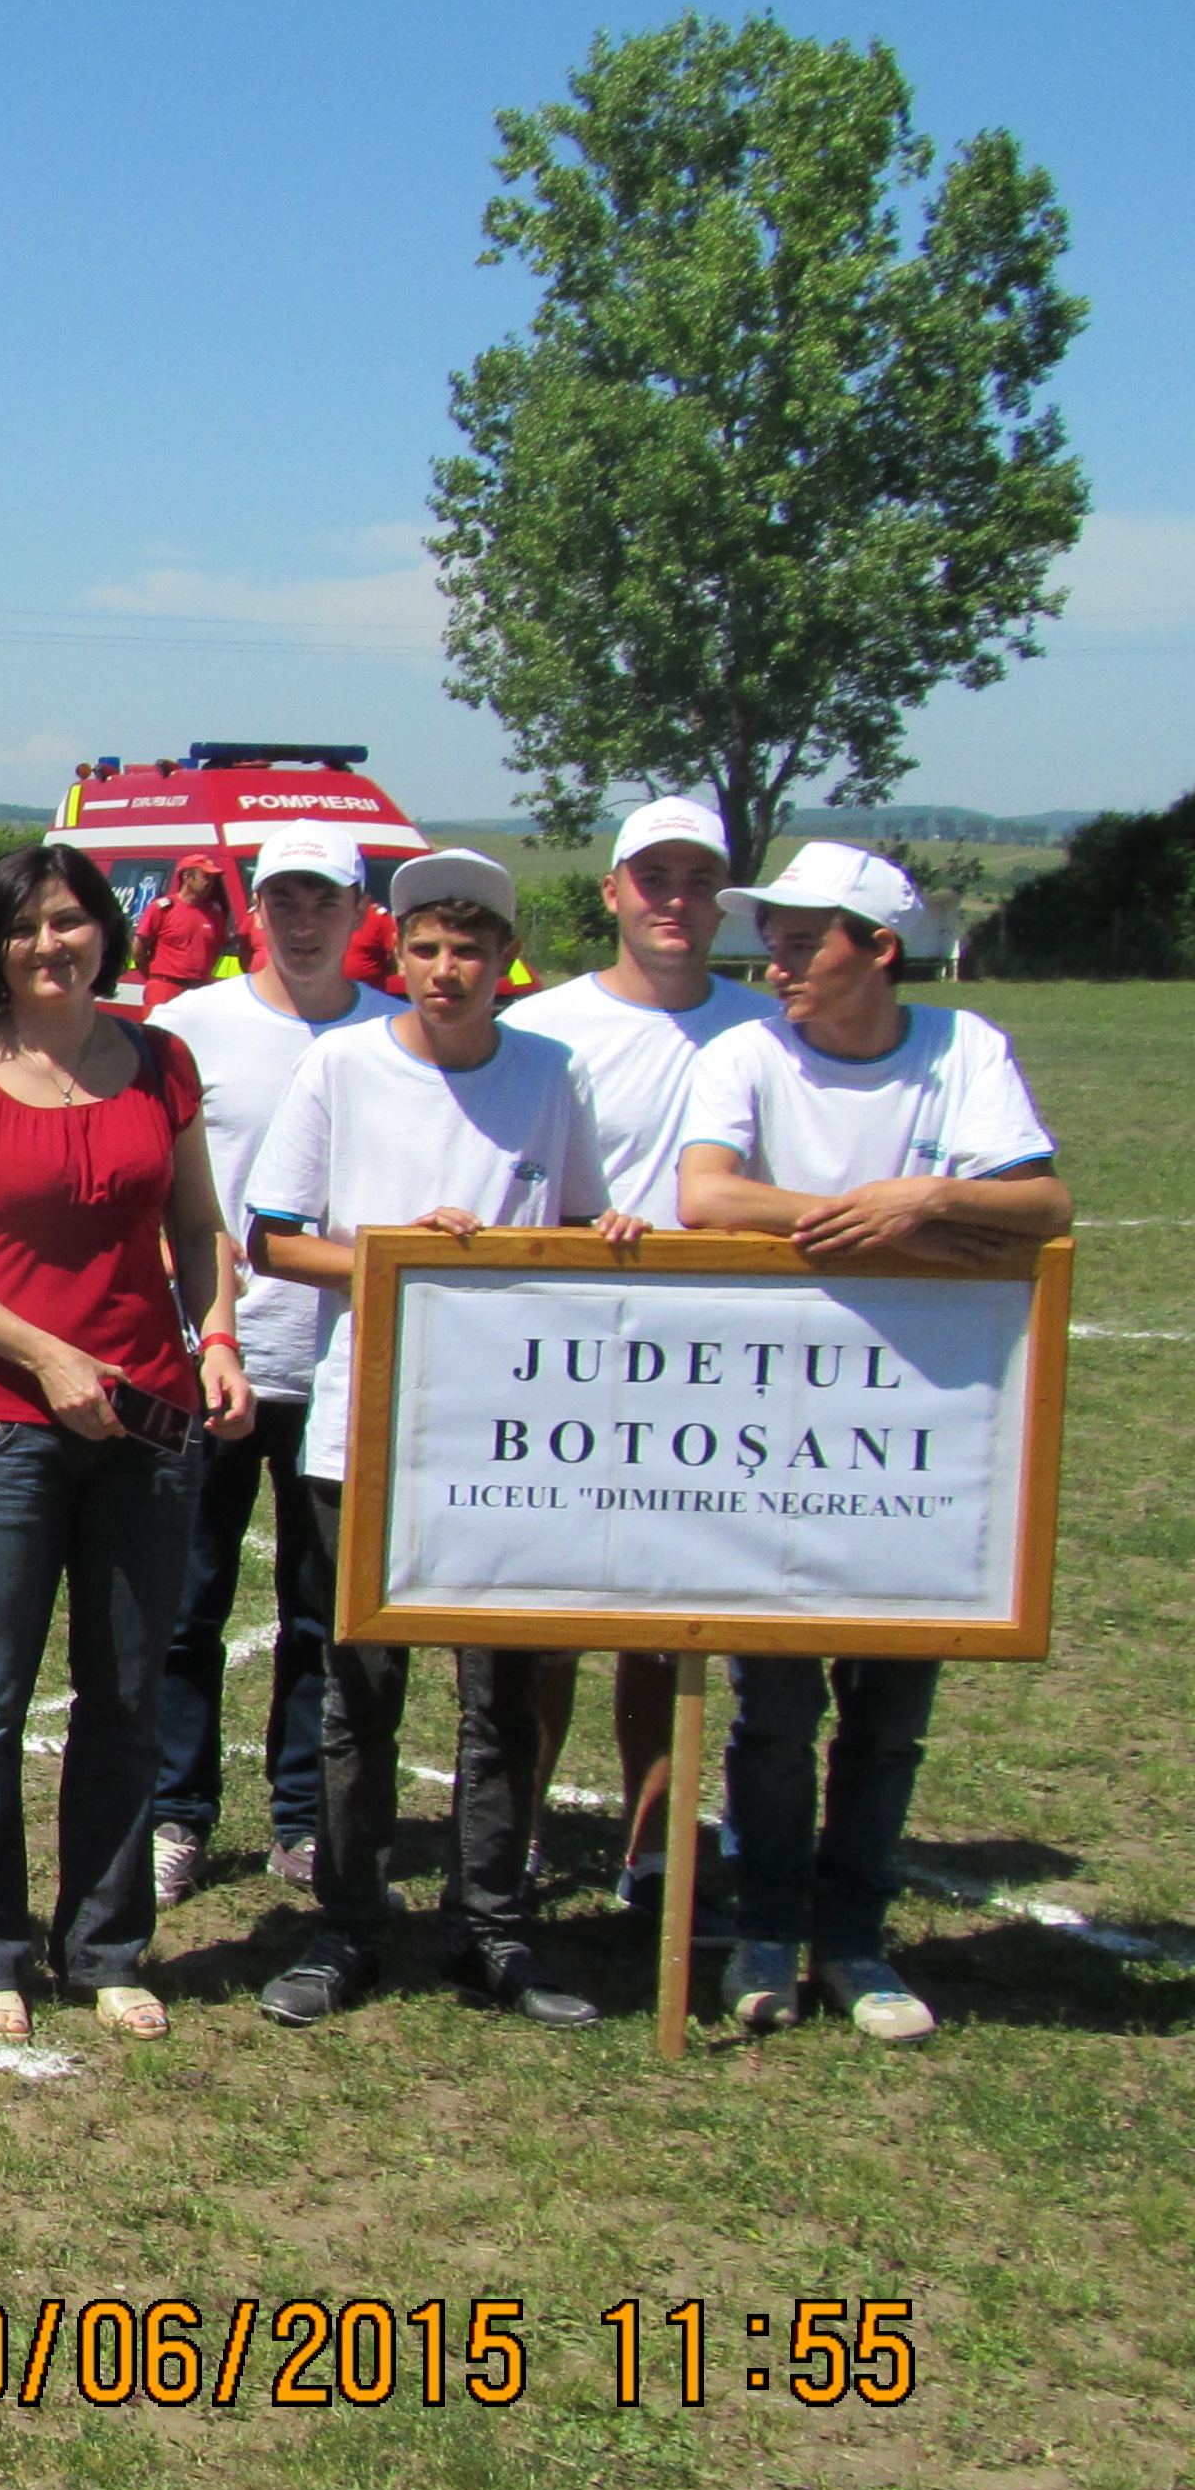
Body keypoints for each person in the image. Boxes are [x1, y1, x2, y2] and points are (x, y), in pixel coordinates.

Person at [677, 841, 1067, 2046]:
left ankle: (854, 1941)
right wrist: (880, 1221)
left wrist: (931, 1197)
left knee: (889, 1716)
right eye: (774, 942)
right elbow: (708, 1197)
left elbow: (1043, 1204)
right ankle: (767, 1932)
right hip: (775, 1429)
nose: (778, 964)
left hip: (926, 1431)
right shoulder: (747, 1052)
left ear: (880, 949)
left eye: (805, 942)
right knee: (774, 1711)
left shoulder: (964, 1049)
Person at [245, 850, 640, 2032]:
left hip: (509, 1441)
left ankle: (490, 1927)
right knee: (358, 1690)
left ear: (505, 960)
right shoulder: (343, 1065)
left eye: (470, 950)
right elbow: (272, 1238)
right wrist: (396, 1252)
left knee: (502, 1695)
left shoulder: (550, 1074)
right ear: (400, 953)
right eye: (425, 949)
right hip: (363, 1426)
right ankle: (348, 1925)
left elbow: (577, 1225)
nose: (446, 971)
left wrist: (608, 1235)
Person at [0, 841, 251, 2040]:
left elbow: (198, 1226)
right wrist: (44, 1356)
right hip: (0, 1424)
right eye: (26, 927)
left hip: (148, 1425)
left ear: (108, 932)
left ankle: (105, 1946)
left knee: (127, 1696)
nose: (51, 944)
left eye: (72, 921)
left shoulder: (163, 1061)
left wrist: (219, 1337)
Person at [500, 795, 779, 1908]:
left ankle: (651, 1850)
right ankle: (516, 1836)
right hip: (574, 1356)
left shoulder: (766, 1030)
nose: (675, 902)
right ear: (613, 891)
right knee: (548, 1626)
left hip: (717, 1362)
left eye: (698, 882)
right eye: (653, 879)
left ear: (725, 901)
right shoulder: (548, 1027)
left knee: (669, 1631)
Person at [140, 824, 379, 1909]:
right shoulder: (191, 1027)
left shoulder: (394, 1034)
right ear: (253, 912)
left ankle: (302, 1818)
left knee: (322, 1613)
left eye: (325, 899)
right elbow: (149, 1185)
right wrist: (184, 1302)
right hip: (209, 1359)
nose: (304, 920)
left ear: (360, 910)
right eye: (284, 898)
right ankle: (178, 1815)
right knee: (187, 1603)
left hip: (345, 1367)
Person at [136, 856, 234, 992]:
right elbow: (139, 950)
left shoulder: (214, 914)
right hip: (165, 987)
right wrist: (155, 980)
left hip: (199, 989)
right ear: (187, 877)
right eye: (205, 877)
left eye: (212, 878)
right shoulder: (162, 909)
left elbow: (220, 945)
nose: (210, 883)